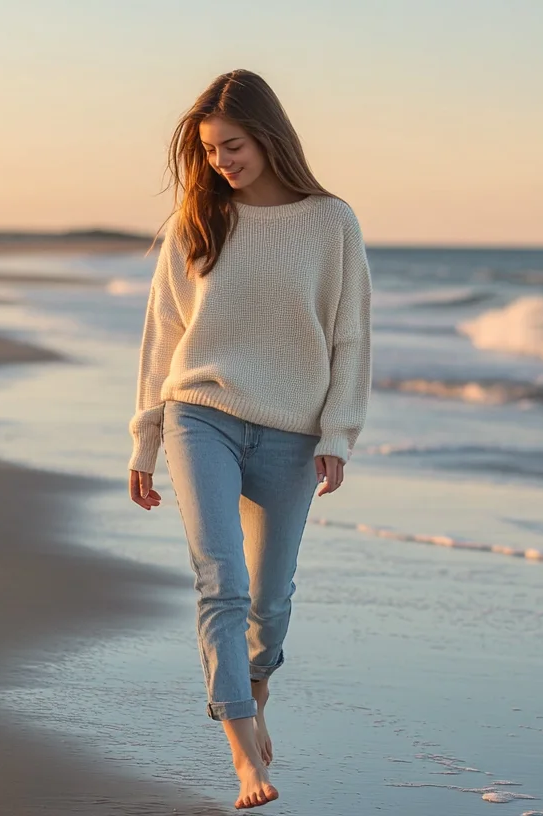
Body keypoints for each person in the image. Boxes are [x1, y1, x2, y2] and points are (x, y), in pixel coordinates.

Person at [126, 68, 372, 810]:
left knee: (270, 602)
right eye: (207, 150)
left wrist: (339, 432)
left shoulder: (331, 222)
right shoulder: (196, 225)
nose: (219, 162)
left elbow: (350, 335)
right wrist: (145, 440)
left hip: (293, 432)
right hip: (200, 414)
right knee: (221, 584)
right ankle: (242, 757)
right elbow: (163, 336)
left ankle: (254, 692)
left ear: (268, 135)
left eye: (230, 145)